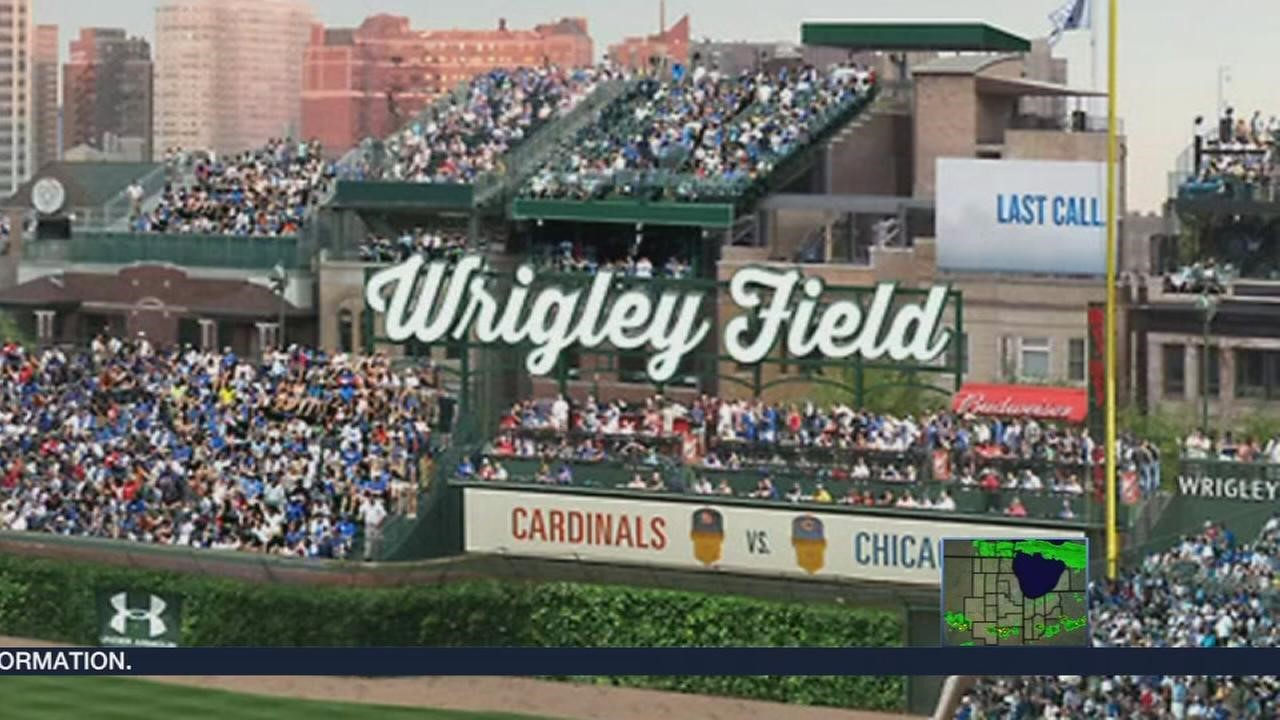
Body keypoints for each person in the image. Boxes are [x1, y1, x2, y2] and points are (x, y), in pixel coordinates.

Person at [360, 494, 387, 561]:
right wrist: (362, 518)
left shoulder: (378, 505)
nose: (371, 498)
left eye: (373, 497)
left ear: (374, 498)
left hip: (376, 526)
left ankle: (378, 557)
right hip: (368, 525)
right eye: (370, 497)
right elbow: (361, 511)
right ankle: (367, 557)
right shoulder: (365, 504)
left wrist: (379, 523)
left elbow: (384, 515)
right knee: (368, 541)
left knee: (377, 542)